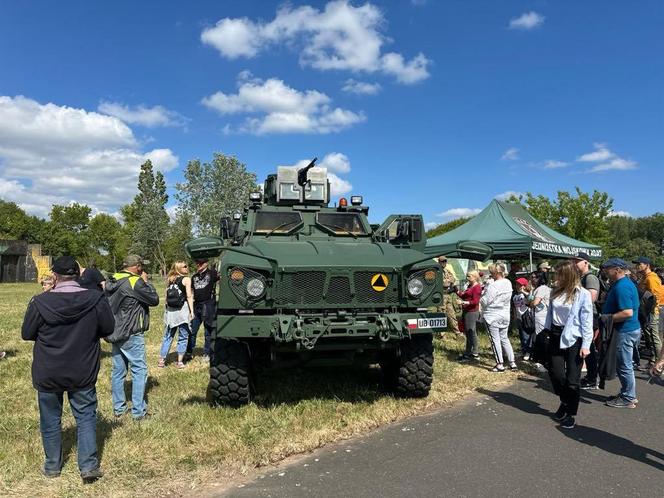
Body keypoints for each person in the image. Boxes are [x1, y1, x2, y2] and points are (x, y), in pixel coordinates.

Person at [21, 256, 115, 483]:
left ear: (54, 275)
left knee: (50, 418)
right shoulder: (95, 299)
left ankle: (52, 466)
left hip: (48, 369)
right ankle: (88, 466)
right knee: (85, 416)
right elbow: (109, 328)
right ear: (78, 275)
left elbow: (27, 334)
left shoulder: (39, 302)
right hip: (82, 368)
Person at [105, 255, 159, 420]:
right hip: (131, 331)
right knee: (139, 370)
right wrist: (146, 281)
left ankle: (119, 409)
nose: (143, 269)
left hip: (115, 330)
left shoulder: (113, 280)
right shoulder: (134, 281)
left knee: (118, 371)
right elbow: (154, 299)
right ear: (137, 266)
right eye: (141, 266)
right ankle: (138, 412)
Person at [543, 261, 593, 429]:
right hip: (556, 335)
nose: (556, 277)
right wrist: (545, 331)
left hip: (574, 337)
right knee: (556, 373)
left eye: (559, 274)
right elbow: (550, 314)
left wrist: (586, 344)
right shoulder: (555, 291)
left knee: (572, 379)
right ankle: (564, 401)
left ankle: (571, 413)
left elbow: (587, 321)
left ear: (567, 275)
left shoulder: (582, 294)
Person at [601, 258, 641, 408]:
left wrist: (606, 319)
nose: (605, 271)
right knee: (625, 364)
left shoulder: (622, 287)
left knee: (624, 365)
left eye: (607, 268)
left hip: (625, 331)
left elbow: (627, 312)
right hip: (628, 330)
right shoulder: (622, 284)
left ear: (617, 270)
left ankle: (628, 397)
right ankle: (627, 393)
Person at [572, 252, 601, 390]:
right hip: (581, 316)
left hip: (590, 316)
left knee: (589, 348)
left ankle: (592, 378)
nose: (574, 263)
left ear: (585, 263)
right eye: (574, 260)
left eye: (577, 261)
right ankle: (590, 376)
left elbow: (592, 298)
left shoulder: (590, 278)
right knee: (585, 347)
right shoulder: (580, 277)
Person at [480, 263, 517, 372]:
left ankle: (499, 363)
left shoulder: (493, 285)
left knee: (495, 340)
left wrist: (483, 293)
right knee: (504, 338)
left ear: (495, 273)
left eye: (491, 272)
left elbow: (485, 301)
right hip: (505, 314)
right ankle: (512, 362)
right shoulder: (508, 282)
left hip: (492, 315)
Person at [159, 261, 193, 369]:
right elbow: (189, 296)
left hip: (171, 312)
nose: (187, 268)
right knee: (183, 336)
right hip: (182, 311)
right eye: (185, 266)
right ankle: (179, 362)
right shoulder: (186, 279)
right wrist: (192, 311)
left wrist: (166, 311)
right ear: (179, 268)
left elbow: (165, 297)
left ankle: (161, 360)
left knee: (168, 336)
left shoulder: (170, 279)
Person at [633, 256, 664, 366]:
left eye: (639, 264)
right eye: (637, 264)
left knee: (654, 337)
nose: (637, 266)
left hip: (651, 312)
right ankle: (654, 358)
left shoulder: (652, 278)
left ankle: (659, 362)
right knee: (650, 336)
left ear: (647, 265)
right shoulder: (644, 277)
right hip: (645, 311)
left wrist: (650, 313)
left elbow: (655, 298)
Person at [186, 258, 220, 360]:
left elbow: (223, 278)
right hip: (197, 305)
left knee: (208, 331)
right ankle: (189, 351)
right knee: (192, 330)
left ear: (206, 263)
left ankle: (207, 353)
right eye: (197, 263)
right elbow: (191, 292)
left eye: (201, 263)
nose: (199, 265)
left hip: (209, 304)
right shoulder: (194, 277)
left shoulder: (212, 273)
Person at [457, 270, 482, 362]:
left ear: (475, 277)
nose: (467, 278)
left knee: (472, 332)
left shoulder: (477, 287)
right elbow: (464, 296)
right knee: (468, 332)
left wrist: (463, 302)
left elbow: (475, 301)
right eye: (467, 276)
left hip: (472, 312)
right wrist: (457, 291)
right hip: (467, 311)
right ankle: (468, 352)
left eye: (469, 276)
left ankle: (475, 353)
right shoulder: (470, 286)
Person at [438, 256, 460, 334]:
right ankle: (441, 333)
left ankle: (457, 332)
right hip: (441, 295)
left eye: (445, 261)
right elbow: (444, 284)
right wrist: (448, 281)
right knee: (441, 314)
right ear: (439, 262)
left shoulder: (447, 271)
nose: (444, 263)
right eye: (442, 261)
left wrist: (448, 281)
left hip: (448, 295)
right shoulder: (437, 271)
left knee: (452, 314)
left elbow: (453, 279)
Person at [512, 277, 532, 359]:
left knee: (526, 335)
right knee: (521, 335)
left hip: (526, 316)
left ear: (524, 285)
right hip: (519, 317)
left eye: (520, 285)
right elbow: (514, 306)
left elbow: (531, 298)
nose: (518, 286)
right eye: (517, 284)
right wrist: (514, 316)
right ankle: (523, 350)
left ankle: (528, 351)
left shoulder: (526, 294)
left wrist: (523, 291)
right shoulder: (515, 295)